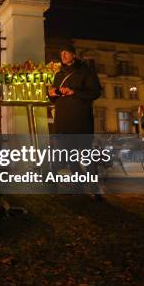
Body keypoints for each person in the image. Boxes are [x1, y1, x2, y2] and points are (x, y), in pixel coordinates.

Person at [48, 43, 103, 199]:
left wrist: (74, 91)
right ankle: (78, 187)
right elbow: (53, 97)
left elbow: (95, 92)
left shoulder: (86, 71)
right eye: (61, 53)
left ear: (74, 55)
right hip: (63, 120)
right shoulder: (59, 74)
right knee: (71, 157)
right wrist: (52, 93)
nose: (63, 56)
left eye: (66, 52)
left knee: (86, 156)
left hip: (81, 120)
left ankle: (95, 188)